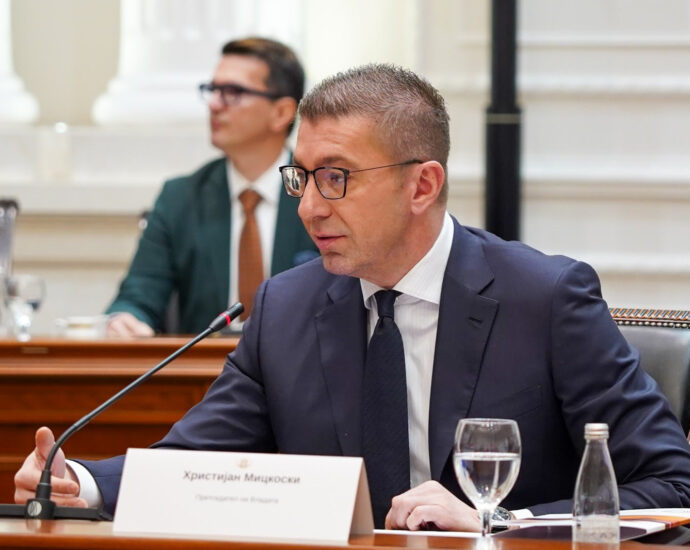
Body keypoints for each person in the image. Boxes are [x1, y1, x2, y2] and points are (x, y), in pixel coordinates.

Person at [15, 64, 690, 531]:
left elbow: (670, 487)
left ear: (422, 186)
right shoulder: (285, 307)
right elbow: (196, 464)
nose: (308, 206)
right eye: (301, 177)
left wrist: (497, 520)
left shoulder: (545, 299)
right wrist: (81, 481)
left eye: (336, 178)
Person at [105, 37, 317, 336]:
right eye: (213, 90)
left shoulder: (321, 192)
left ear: (281, 112)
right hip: (207, 364)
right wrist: (124, 319)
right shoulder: (180, 198)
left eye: (233, 93)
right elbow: (138, 296)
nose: (214, 105)